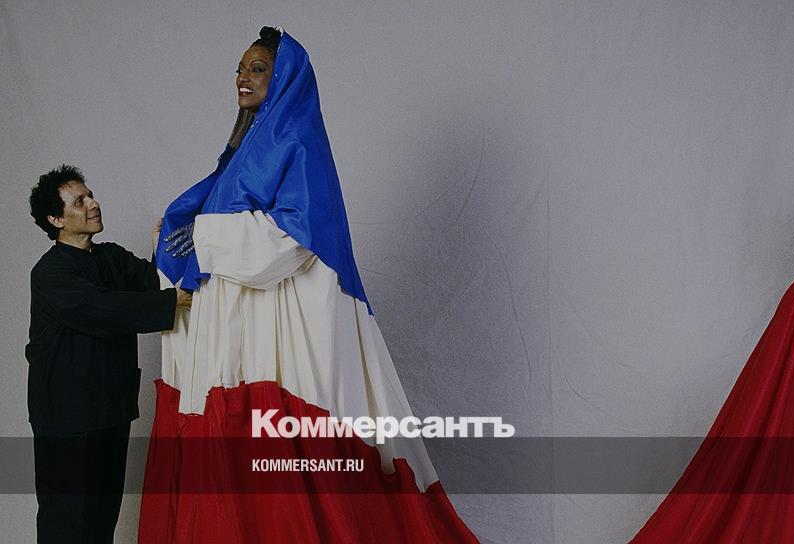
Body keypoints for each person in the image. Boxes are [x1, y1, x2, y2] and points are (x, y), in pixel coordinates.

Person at [140, 28, 477, 542]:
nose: (243, 77)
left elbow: (291, 240)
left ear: (284, 78)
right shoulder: (242, 151)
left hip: (279, 331)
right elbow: (210, 222)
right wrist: (182, 233)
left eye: (257, 68)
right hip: (243, 325)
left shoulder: (297, 140)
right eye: (239, 68)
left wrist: (202, 234)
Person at [26, 164, 192, 543]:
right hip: (67, 419)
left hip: (110, 409)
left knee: (101, 521)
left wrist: (162, 247)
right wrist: (172, 301)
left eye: (90, 195)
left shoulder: (112, 258)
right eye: (79, 201)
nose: (93, 204)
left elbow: (153, 282)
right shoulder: (50, 273)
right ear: (55, 219)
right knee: (67, 524)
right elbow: (102, 309)